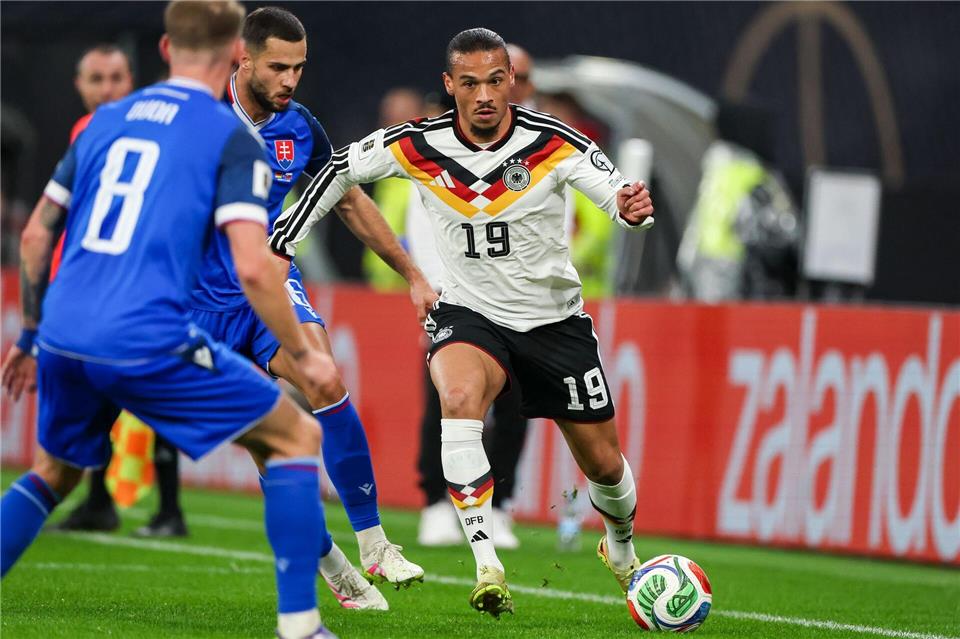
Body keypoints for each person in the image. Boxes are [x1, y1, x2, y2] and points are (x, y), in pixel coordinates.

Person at [269, 28, 655, 618]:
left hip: (553, 323)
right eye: (470, 83)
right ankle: (486, 564)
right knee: (456, 397)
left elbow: (616, 194)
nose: (484, 95)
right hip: (469, 312)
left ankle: (621, 547)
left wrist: (630, 209)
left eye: (495, 81)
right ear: (449, 85)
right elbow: (339, 169)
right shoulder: (415, 143)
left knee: (603, 464)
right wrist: (285, 238)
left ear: (511, 82)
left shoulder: (553, 141)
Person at [0, 3, 342, 637]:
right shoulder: (230, 138)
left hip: (64, 331)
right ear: (235, 54)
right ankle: (300, 626)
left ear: (165, 47)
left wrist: (28, 332)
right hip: (143, 335)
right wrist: (303, 352)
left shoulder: (103, 122)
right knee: (295, 436)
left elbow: (36, 236)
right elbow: (254, 265)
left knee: (52, 473)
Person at [180, 6, 433, 607]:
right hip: (194, 306)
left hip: (267, 286)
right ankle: (332, 563)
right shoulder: (198, 118)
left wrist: (413, 274)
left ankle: (374, 543)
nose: (290, 80)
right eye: (278, 67)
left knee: (326, 380)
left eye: (299, 67)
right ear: (243, 60)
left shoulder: (299, 126)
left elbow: (347, 199)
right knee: (273, 443)